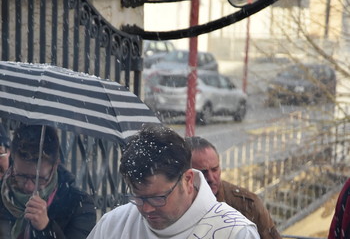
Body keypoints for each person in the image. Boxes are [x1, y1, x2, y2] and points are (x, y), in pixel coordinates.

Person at [87, 124, 260, 239]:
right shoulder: (113, 225)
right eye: (139, 197)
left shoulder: (234, 232)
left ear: (188, 180)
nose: (146, 209)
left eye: (158, 197)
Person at [0, 124, 96, 239]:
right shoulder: (2, 196)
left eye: (39, 179)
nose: (29, 186)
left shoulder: (79, 205)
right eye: (21, 176)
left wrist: (45, 228)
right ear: (13, 161)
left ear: (55, 166)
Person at [185, 136, 281, 239]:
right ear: (188, 175)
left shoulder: (247, 204)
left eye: (215, 169)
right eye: (203, 172)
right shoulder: (172, 203)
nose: (211, 178)